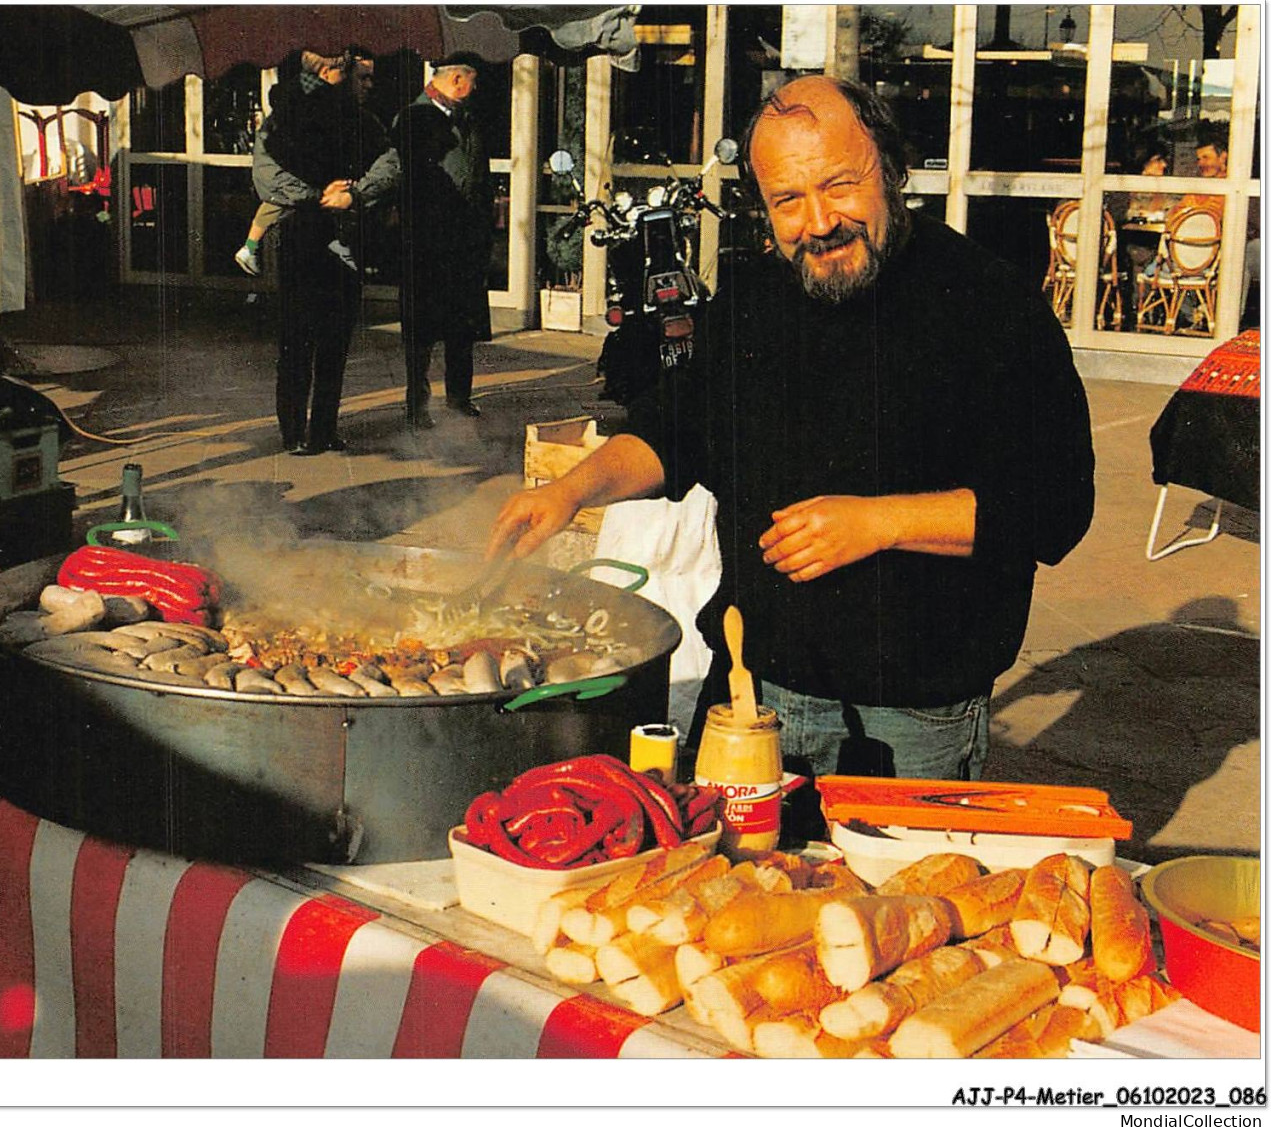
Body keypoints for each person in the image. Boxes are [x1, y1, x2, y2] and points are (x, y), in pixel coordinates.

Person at [488, 76, 1096, 782]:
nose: (817, 221)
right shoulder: (756, 295)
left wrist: (882, 522)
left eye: (838, 186)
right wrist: (570, 490)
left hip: (912, 714)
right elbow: (677, 427)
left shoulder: (987, 304)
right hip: (750, 687)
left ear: (891, 169)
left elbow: (1054, 507)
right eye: (787, 200)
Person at [335, 53, 493, 429]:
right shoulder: (414, 117)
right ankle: (416, 405)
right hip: (427, 242)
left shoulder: (468, 118)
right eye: (473, 81)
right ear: (457, 80)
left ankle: (459, 399)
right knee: (421, 329)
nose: (477, 89)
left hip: (465, 241)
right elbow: (395, 168)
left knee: (461, 327)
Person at [256, 48, 387, 455]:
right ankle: (302, 430)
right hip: (307, 235)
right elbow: (268, 178)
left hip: (331, 233)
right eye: (358, 76)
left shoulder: (357, 120)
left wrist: (352, 194)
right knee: (309, 339)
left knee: (326, 340)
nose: (366, 85)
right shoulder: (290, 117)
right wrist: (324, 197)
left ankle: (312, 430)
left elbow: (389, 162)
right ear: (334, 71)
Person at [235, 51, 358, 278]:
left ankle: (250, 248)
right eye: (343, 74)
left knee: (278, 205)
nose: (346, 80)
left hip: (273, 170)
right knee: (318, 197)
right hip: (282, 171)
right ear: (325, 72)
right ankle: (250, 249)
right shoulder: (313, 98)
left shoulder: (297, 92)